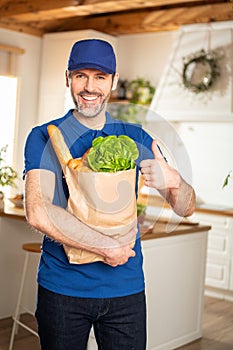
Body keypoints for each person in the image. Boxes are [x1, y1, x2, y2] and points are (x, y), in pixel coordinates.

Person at [24, 38, 196, 350]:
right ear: (68, 78)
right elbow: (37, 210)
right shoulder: (43, 137)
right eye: (81, 75)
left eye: (100, 77)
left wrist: (174, 181)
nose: (90, 87)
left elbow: (185, 208)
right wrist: (106, 247)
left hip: (125, 291)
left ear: (113, 81)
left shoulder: (136, 137)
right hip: (62, 289)